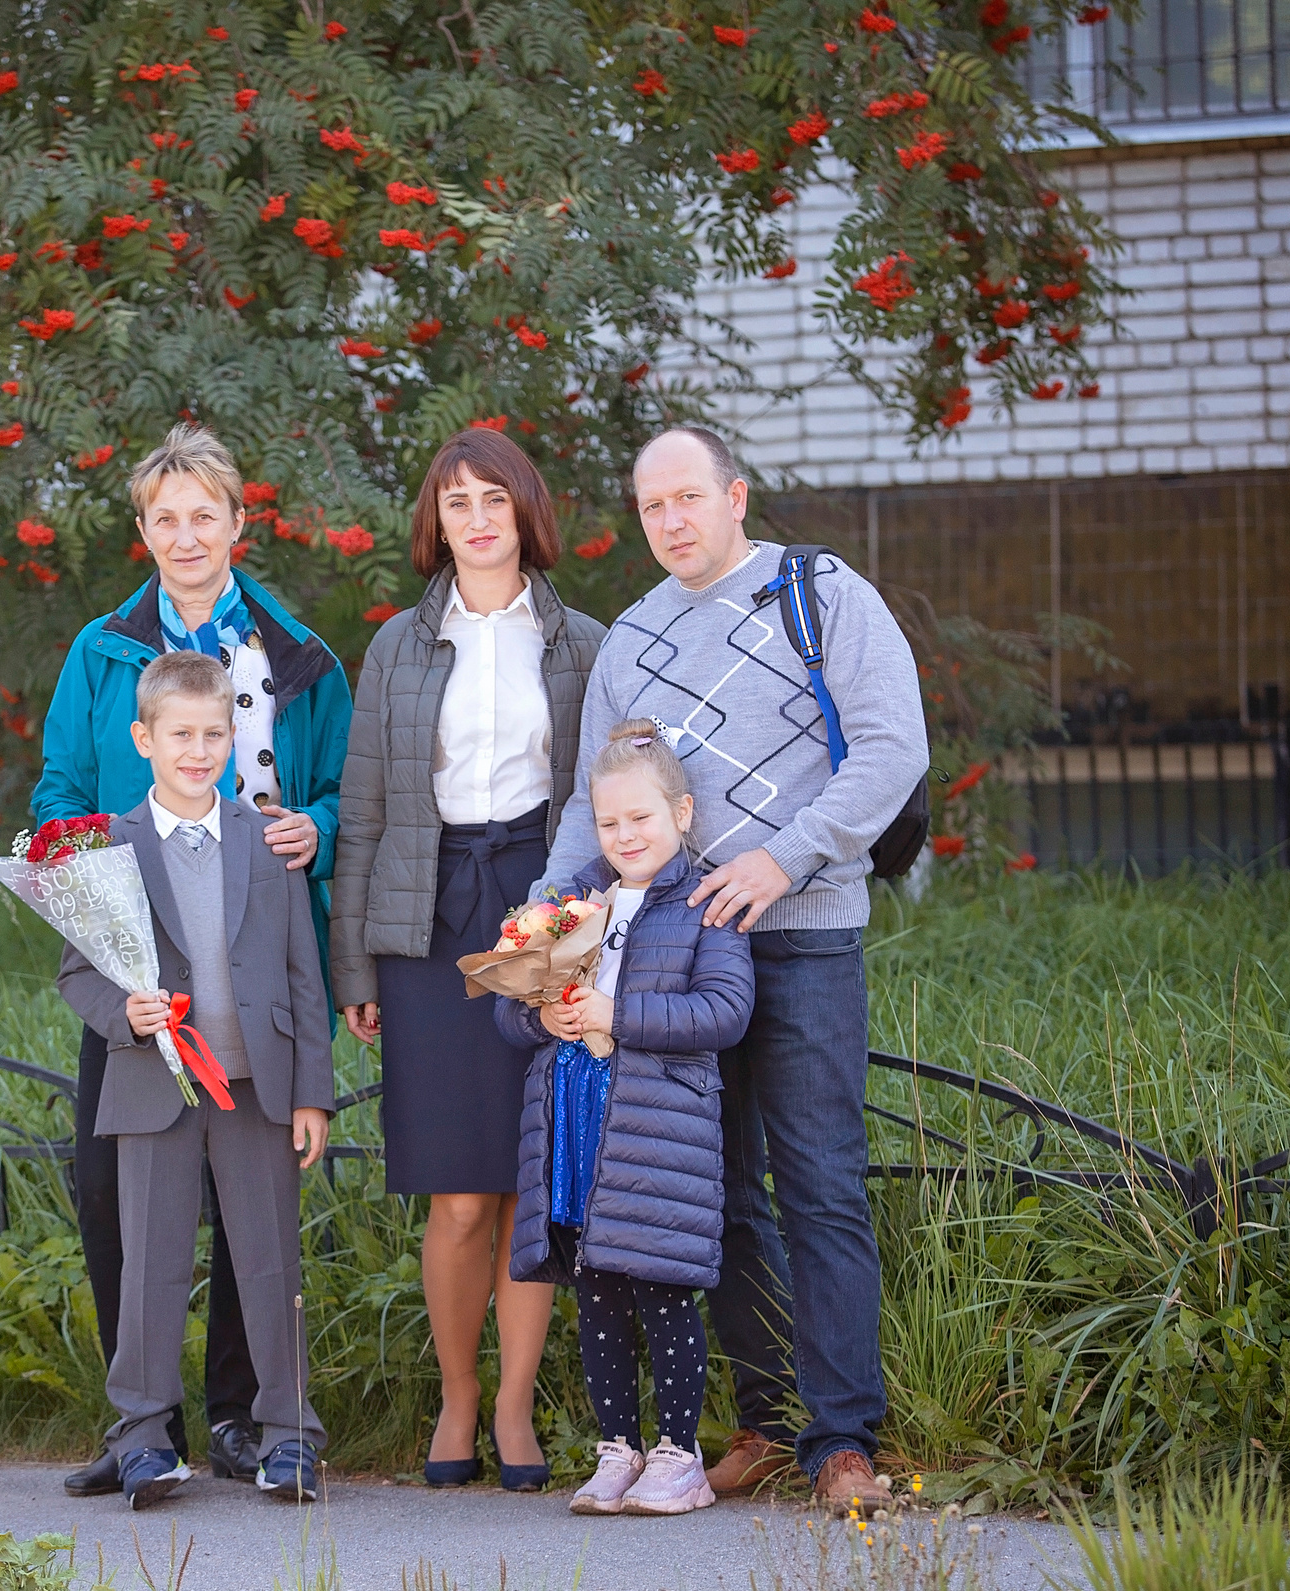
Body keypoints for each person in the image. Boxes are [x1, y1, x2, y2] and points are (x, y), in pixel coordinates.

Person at [534, 426, 928, 1513]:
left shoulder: (823, 594)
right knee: (719, 1198)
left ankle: (842, 1437)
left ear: (734, 496)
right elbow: (592, 796)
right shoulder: (631, 638)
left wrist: (782, 855)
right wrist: (548, 904)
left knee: (820, 1186)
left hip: (800, 932)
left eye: (687, 498)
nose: (670, 521)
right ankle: (766, 1419)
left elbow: (895, 749)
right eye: (650, 504)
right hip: (669, 950)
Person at [32, 422, 353, 1497]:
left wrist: (319, 824)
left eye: (202, 515)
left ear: (236, 523)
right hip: (144, 964)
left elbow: (351, 789)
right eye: (163, 517)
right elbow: (59, 797)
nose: (184, 535)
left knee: (257, 1225)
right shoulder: (102, 648)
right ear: (141, 528)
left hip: (259, 949)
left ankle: (249, 1417)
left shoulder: (294, 651)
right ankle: (141, 1423)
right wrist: (94, 899)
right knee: (129, 1206)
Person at [331, 428, 603, 1491]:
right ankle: (453, 1396)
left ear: (524, 511)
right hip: (430, 915)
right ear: (434, 524)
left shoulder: (583, 641)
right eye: (456, 505)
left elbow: (600, 798)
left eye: (494, 499)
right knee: (456, 1192)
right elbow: (361, 816)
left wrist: (588, 938)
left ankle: (515, 1405)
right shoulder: (396, 645)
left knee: (527, 1180)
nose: (477, 519)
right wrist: (356, 966)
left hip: (540, 907)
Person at [54, 649, 337, 1510]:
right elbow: (77, 973)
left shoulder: (264, 838)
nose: (199, 749)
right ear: (144, 737)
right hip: (155, 1086)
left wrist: (313, 1092)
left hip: (254, 1083)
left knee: (268, 1259)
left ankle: (288, 1436)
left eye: (216, 733)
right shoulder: (108, 846)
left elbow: (302, 973)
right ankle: (142, 1435)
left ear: (234, 736)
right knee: (151, 1267)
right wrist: (124, 1013)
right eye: (181, 733)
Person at [500, 720, 752, 1516]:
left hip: (656, 1132)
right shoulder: (568, 901)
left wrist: (619, 1010)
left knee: (663, 1291)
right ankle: (618, 1449)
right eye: (610, 822)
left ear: (681, 813)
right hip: (577, 1128)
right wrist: (546, 1020)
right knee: (598, 1290)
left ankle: (679, 1457)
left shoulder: (704, 905)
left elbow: (724, 1011)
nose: (625, 834)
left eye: (640, 818)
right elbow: (508, 1012)